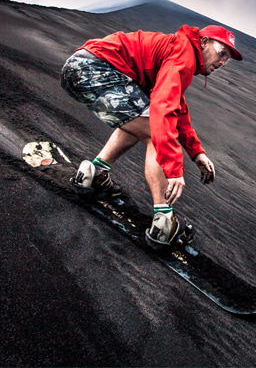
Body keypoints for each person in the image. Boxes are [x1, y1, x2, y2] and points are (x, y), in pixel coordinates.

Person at [60, 24, 242, 249]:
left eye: (227, 59)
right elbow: (164, 110)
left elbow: (177, 107)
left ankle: (94, 174)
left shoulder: (181, 51)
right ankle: (163, 223)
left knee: (142, 119)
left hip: (82, 66)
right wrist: (174, 170)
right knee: (157, 133)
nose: (223, 62)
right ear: (203, 42)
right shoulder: (183, 56)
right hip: (96, 69)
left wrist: (196, 153)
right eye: (222, 53)